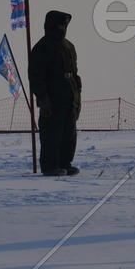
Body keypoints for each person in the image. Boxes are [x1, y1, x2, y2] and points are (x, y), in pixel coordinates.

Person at [30, 11, 81, 177]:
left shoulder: (69, 46)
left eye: (64, 25)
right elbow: (36, 76)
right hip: (52, 96)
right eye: (59, 24)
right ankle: (50, 165)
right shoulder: (42, 47)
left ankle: (65, 163)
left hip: (69, 95)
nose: (62, 28)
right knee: (51, 133)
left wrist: (77, 96)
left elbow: (74, 73)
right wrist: (43, 99)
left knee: (69, 133)